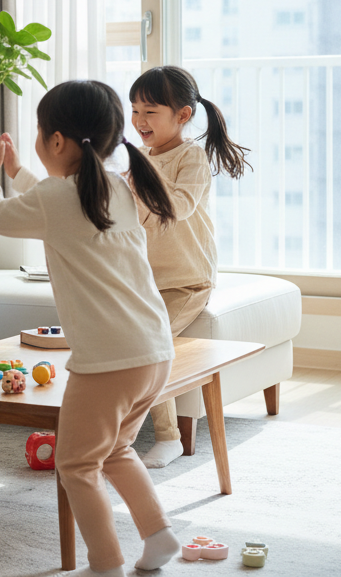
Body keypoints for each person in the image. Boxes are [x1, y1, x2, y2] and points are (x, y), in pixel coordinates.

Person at [0, 80, 182, 577]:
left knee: (76, 465)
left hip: (108, 363)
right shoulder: (115, 187)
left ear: (58, 140)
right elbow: (51, 202)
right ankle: (159, 535)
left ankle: (105, 564)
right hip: (152, 352)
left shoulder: (57, 197)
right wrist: (19, 171)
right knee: (115, 451)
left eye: (41, 131)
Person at [128, 65, 250, 469]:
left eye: (149, 112)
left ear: (182, 115)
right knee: (123, 342)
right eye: (134, 110)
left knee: (150, 345)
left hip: (186, 281)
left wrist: (136, 184)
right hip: (147, 280)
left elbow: (178, 207)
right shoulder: (141, 158)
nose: (139, 121)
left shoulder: (191, 157)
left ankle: (169, 437)